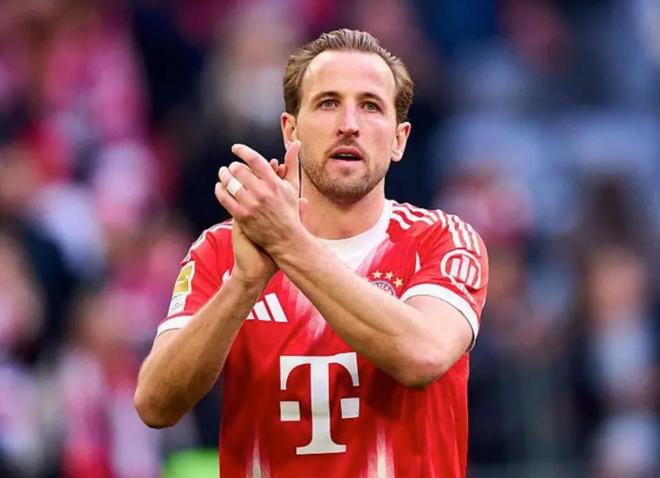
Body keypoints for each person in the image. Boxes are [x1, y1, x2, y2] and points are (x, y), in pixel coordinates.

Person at [134, 28, 489, 477]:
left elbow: (423, 356)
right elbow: (155, 405)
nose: (349, 124)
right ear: (291, 130)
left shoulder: (441, 239)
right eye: (327, 103)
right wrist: (242, 287)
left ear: (399, 140)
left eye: (370, 106)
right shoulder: (223, 250)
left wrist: (288, 244)